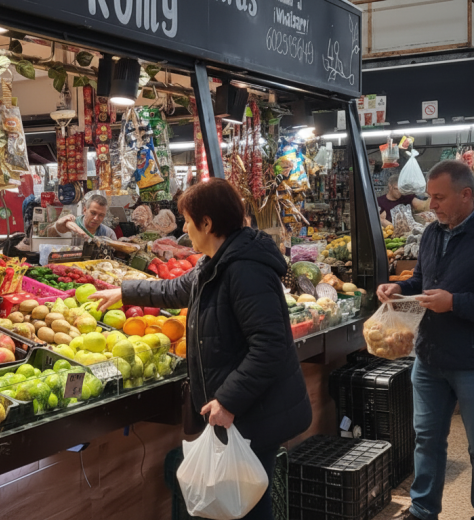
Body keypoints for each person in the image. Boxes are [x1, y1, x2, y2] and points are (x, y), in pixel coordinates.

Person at [91, 178, 312, 520]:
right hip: (248, 411)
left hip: (256, 412)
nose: (184, 229)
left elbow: (270, 346)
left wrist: (229, 400)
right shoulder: (218, 261)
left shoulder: (244, 270)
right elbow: (178, 289)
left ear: (207, 223)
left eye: (187, 221)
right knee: (241, 504)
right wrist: (125, 292)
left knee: (248, 508)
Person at [377, 160, 474, 520]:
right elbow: (420, 280)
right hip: (429, 358)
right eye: (429, 197)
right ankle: (422, 511)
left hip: (469, 361)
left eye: (439, 197)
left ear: (466, 195)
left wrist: (456, 304)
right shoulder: (432, 234)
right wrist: (398, 288)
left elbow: (451, 297)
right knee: (427, 441)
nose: (431, 205)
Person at [47, 194, 117, 240]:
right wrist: (57, 227)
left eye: (101, 215)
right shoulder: (70, 225)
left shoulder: (109, 234)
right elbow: (47, 235)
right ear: (85, 210)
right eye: (93, 213)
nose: (96, 218)